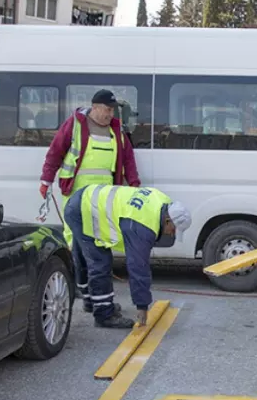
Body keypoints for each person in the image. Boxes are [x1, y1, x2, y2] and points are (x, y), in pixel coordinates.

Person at [39, 89, 141, 313]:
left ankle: (91, 298)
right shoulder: (75, 125)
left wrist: (134, 185)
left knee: (99, 245)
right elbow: (55, 152)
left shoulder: (116, 130)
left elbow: (128, 159)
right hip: (76, 197)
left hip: (103, 199)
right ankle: (87, 296)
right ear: (94, 107)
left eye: (112, 110)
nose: (109, 114)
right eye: (106, 109)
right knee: (79, 247)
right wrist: (46, 180)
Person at [64, 185, 191, 328]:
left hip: (85, 198)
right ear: (168, 220)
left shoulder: (163, 202)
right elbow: (138, 267)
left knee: (84, 257)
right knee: (100, 262)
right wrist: (142, 306)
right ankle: (104, 315)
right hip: (83, 211)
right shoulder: (143, 226)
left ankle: (91, 302)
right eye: (173, 230)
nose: (172, 234)